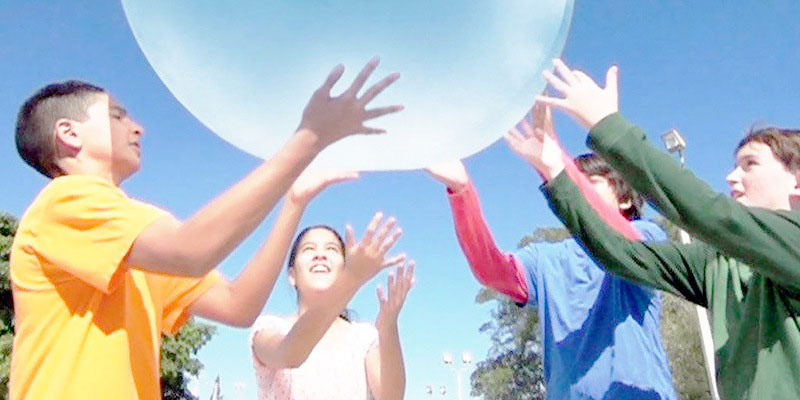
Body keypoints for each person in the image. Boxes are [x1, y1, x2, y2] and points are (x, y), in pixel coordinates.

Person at [10, 57, 402, 400]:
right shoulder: (65, 202)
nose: (138, 127)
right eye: (117, 115)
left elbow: (238, 305)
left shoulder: (131, 242)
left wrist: (294, 202)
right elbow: (192, 250)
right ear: (69, 133)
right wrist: (308, 140)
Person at [531, 58, 800, 400]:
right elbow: (624, 254)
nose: (732, 177)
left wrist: (607, 127)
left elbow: (710, 214)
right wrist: (556, 173)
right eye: (734, 165)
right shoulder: (718, 265)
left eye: (750, 164)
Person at [428, 102, 677, 400]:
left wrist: (555, 162)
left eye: (589, 182)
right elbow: (491, 270)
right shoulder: (546, 259)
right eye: (573, 182)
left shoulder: (647, 235)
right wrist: (461, 190)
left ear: (625, 200)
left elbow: (623, 242)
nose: (575, 188)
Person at [250, 180, 415, 400]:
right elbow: (291, 353)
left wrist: (387, 326)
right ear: (292, 275)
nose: (320, 255)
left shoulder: (363, 337)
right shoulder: (268, 328)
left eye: (331, 249)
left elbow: (392, 396)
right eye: (309, 249)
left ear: (343, 268)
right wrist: (352, 279)